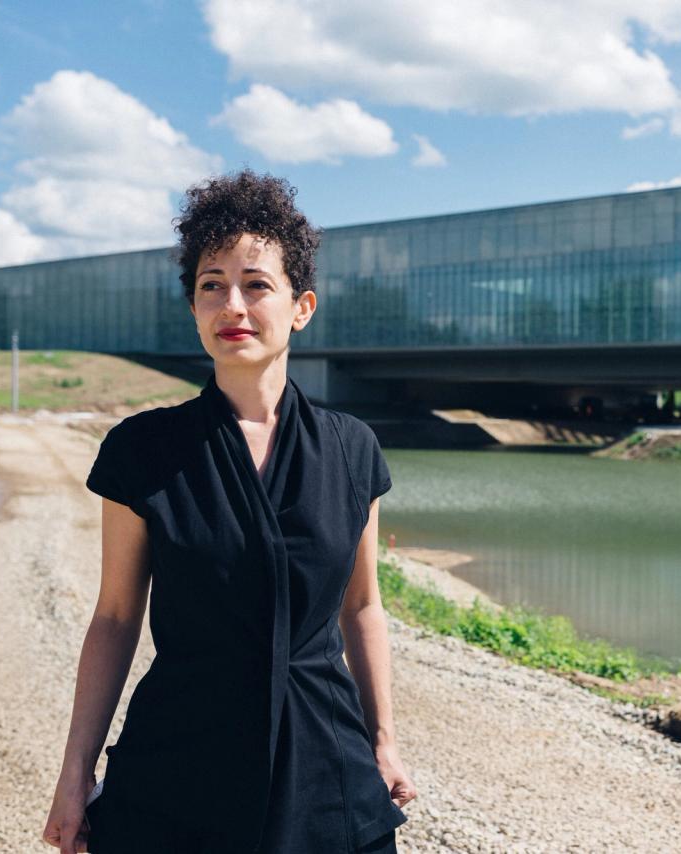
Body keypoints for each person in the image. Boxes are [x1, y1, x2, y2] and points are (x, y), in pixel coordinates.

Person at [41, 169, 417, 853]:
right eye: (211, 285)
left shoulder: (352, 450)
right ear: (192, 307)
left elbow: (362, 608)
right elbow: (117, 617)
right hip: (177, 770)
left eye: (256, 284)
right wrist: (75, 773)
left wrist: (383, 743)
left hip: (324, 769)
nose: (232, 304)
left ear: (302, 306)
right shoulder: (143, 450)